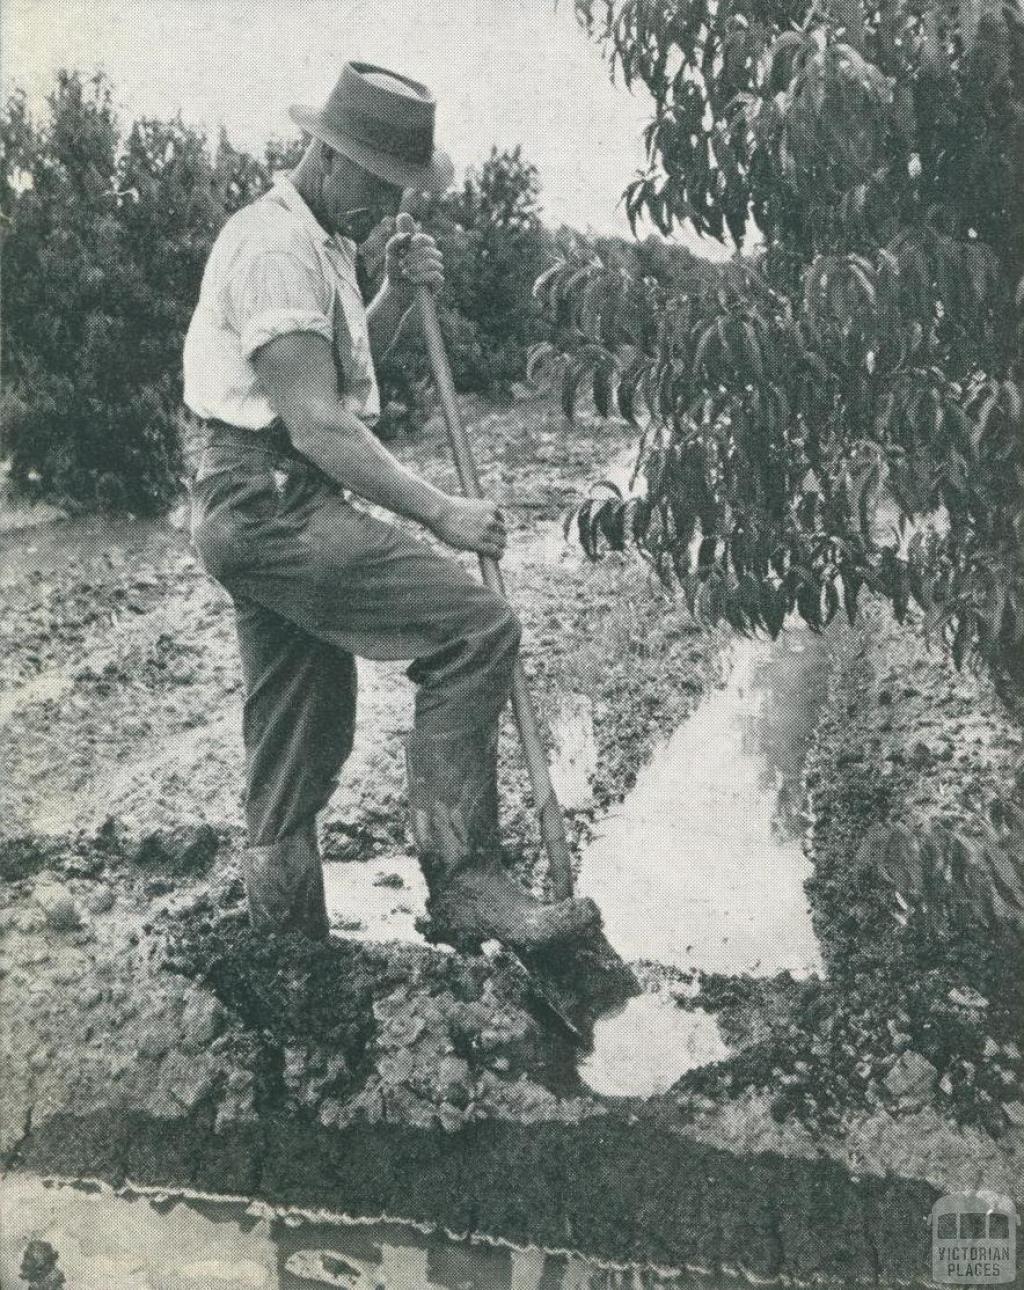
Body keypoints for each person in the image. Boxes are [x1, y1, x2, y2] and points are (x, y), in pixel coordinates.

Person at [183, 61, 600, 947]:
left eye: (402, 193)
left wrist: (394, 295)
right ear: (329, 158)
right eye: (380, 189)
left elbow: (336, 367)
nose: (389, 211)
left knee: (302, 722)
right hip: (272, 499)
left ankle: (285, 936)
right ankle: (467, 882)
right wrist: (441, 512)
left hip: (257, 502)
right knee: (474, 628)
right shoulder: (272, 247)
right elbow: (319, 425)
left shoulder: (320, 242)